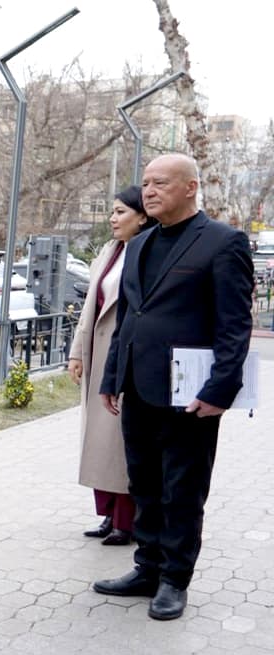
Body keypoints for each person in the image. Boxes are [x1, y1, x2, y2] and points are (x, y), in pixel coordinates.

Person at [95, 153, 254, 621]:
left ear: (190, 187)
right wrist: (112, 376)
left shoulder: (223, 243)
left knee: (182, 488)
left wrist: (221, 389)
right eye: (145, 183)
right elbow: (128, 316)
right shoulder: (140, 243)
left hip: (191, 394)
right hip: (140, 387)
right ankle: (146, 566)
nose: (148, 191)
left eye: (160, 183)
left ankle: (173, 580)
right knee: (143, 482)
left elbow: (234, 324)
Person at [67, 186, 152, 546]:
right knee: (99, 440)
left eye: (121, 212)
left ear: (142, 217)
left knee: (119, 439)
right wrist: (76, 353)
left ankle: (126, 520)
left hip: (124, 355)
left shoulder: (148, 251)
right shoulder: (109, 249)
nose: (113, 219)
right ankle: (106, 513)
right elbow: (90, 305)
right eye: (113, 212)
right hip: (96, 351)